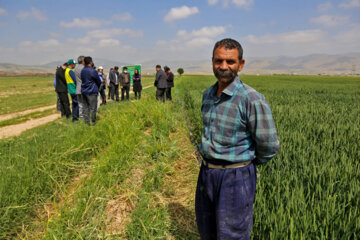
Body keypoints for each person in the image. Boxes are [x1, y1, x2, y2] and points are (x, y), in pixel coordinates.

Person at [195, 38, 280, 240]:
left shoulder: (251, 98)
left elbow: (269, 145)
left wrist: (244, 166)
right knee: (207, 230)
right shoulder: (208, 94)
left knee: (232, 235)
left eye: (230, 62)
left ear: (240, 64)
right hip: (206, 173)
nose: (224, 66)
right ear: (212, 62)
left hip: (236, 177)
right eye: (218, 61)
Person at [81, 56, 101, 125]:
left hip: (84, 91)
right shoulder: (92, 71)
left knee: (85, 108)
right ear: (90, 62)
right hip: (91, 91)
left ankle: (87, 122)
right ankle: (93, 122)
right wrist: (98, 87)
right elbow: (98, 81)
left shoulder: (83, 70)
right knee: (93, 108)